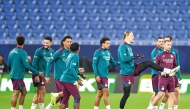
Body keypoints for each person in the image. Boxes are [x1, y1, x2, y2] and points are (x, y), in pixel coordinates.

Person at [118, 31, 180, 109]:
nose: (133, 37)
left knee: (149, 63)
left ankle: (166, 70)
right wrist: (135, 57)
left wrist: (136, 57)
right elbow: (123, 59)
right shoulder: (122, 46)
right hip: (126, 73)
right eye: (132, 35)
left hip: (133, 68)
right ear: (127, 36)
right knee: (126, 94)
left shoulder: (129, 46)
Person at [45, 36, 86, 109]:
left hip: (66, 77)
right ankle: (55, 96)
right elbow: (49, 62)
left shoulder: (71, 53)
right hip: (59, 77)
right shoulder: (59, 52)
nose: (69, 43)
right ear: (63, 42)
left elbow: (70, 67)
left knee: (65, 98)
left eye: (70, 42)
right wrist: (47, 75)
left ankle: (50, 103)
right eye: (68, 41)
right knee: (66, 99)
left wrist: (78, 71)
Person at [8, 35, 43, 109]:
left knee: (24, 92)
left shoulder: (12, 51)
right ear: (24, 42)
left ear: (16, 42)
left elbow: (8, 65)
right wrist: (36, 72)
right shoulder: (23, 52)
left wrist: (11, 73)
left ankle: (21, 107)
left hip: (14, 75)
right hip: (18, 76)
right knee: (15, 93)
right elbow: (26, 65)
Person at [92, 37, 119, 109]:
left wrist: (122, 62)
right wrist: (96, 75)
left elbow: (114, 63)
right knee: (106, 93)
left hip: (105, 76)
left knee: (100, 94)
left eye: (109, 43)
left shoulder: (108, 53)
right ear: (102, 44)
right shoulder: (98, 52)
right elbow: (94, 64)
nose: (109, 45)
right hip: (100, 76)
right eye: (107, 43)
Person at [151, 40, 177, 109]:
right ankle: (151, 107)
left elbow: (174, 66)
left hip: (171, 78)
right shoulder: (159, 55)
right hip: (163, 78)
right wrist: (160, 72)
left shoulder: (173, 55)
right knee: (160, 94)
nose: (169, 46)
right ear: (164, 45)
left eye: (170, 45)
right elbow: (154, 66)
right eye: (168, 44)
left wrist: (174, 71)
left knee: (171, 94)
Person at [30, 36, 54, 109]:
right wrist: (36, 75)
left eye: (47, 43)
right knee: (42, 92)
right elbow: (34, 63)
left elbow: (50, 64)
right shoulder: (39, 51)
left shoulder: (52, 51)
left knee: (38, 93)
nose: (45, 44)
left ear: (51, 43)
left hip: (44, 74)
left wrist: (47, 75)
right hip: (38, 73)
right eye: (44, 42)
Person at [159, 36, 182, 109]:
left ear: (171, 42)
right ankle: (161, 106)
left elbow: (177, 64)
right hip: (165, 76)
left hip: (173, 75)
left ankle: (175, 107)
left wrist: (179, 75)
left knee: (177, 92)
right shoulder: (161, 52)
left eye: (168, 41)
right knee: (167, 94)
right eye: (165, 41)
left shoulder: (175, 51)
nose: (165, 42)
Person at [59, 42, 83, 109]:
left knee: (65, 99)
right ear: (78, 48)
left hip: (64, 78)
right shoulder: (75, 56)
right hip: (68, 79)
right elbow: (71, 68)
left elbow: (70, 68)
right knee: (77, 97)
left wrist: (80, 74)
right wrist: (77, 79)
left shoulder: (70, 55)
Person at [147, 37, 164, 109]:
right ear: (157, 42)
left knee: (161, 93)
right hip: (156, 74)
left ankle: (153, 106)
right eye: (159, 41)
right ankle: (150, 106)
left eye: (162, 41)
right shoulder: (154, 51)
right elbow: (155, 65)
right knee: (157, 93)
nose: (161, 42)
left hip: (163, 74)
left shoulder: (164, 50)